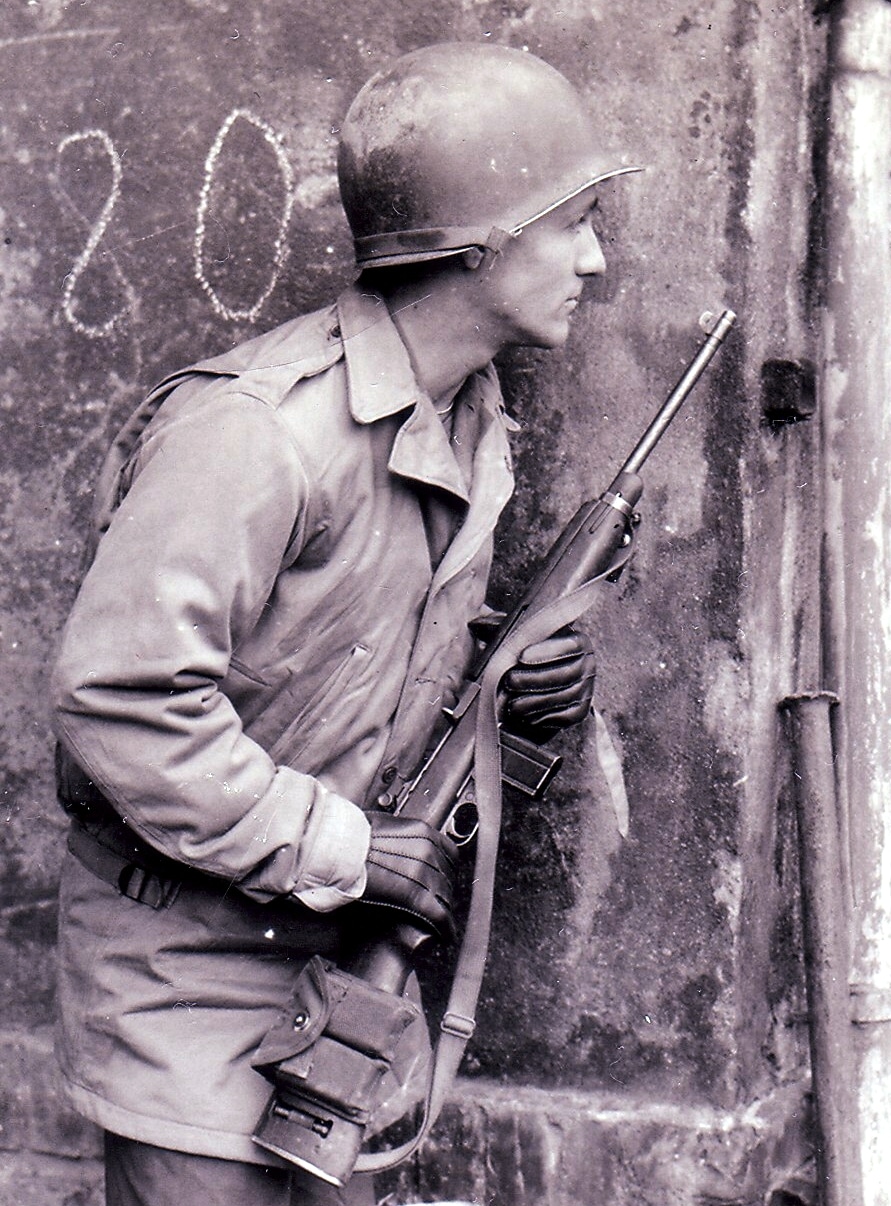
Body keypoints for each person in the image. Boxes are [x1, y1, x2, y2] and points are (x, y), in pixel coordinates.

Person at [51, 41, 636, 1206]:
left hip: (346, 989)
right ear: (476, 240)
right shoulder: (257, 435)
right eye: (570, 224)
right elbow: (121, 701)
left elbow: (340, 658)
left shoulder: (469, 419)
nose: (597, 258)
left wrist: (504, 681)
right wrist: (350, 849)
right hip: (193, 978)